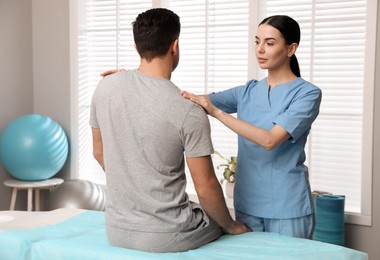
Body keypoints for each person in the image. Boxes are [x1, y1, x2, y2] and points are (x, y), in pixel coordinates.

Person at [89, 8, 249, 253]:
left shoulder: (105, 87)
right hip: (165, 235)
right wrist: (230, 226)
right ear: (175, 46)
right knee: (216, 219)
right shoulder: (188, 109)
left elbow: (99, 153)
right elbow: (205, 186)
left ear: (136, 46)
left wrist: (135, 186)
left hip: (116, 230)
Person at [181, 15, 322, 239]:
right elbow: (189, 100)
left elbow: (270, 140)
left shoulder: (307, 94)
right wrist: (138, 80)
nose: (260, 49)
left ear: (291, 49)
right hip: (247, 203)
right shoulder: (246, 91)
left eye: (270, 43)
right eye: (257, 41)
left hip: (287, 205)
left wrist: (217, 112)